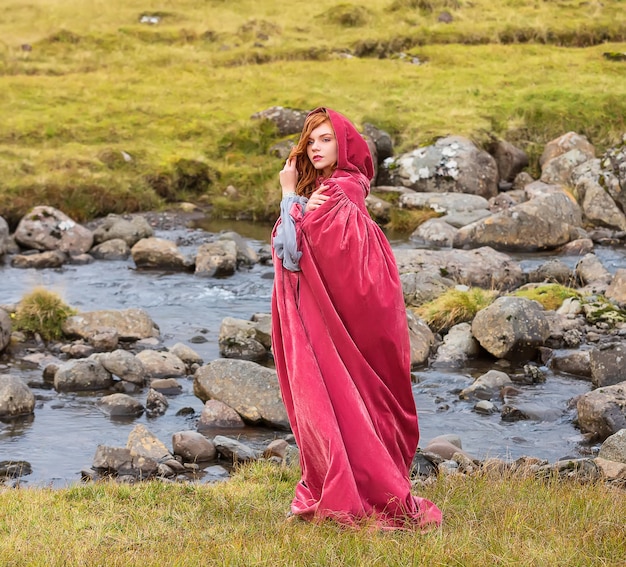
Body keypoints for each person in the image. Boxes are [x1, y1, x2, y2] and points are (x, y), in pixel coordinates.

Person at [271, 107, 442, 530]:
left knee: (336, 398)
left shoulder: (334, 195)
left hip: (335, 322)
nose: (315, 147)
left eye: (326, 139)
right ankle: (355, 479)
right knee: (354, 398)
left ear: (345, 145)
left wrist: (288, 194)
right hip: (350, 317)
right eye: (310, 141)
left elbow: (292, 254)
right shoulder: (345, 188)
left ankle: (353, 490)